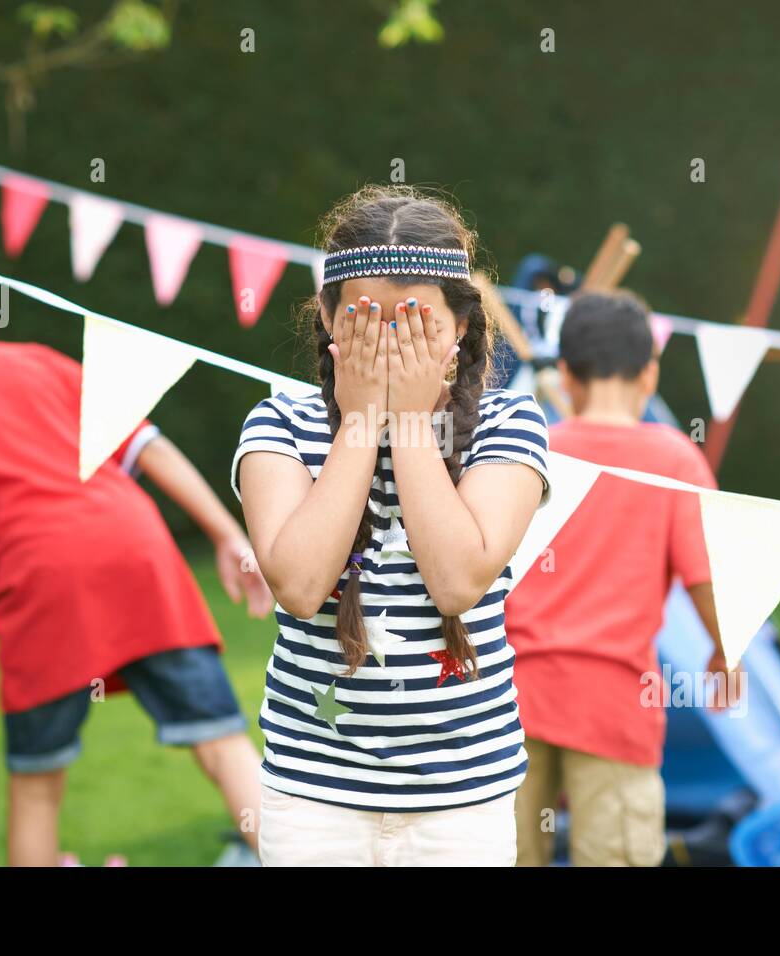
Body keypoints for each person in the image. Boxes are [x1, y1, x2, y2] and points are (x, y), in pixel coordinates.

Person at [0, 258, 273, 866]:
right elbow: (148, 445)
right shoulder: (39, 359)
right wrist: (228, 534)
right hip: (137, 554)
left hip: (39, 587)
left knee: (36, 788)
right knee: (222, 743)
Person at [233, 185, 550, 866]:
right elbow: (299, 583)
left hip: (463, 801)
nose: (389, 344)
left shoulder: (510, 425)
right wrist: (359, 424)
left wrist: (408, 421)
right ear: (326, 316)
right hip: (312, 797)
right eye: (366, 321)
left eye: (416, 323)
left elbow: (458, 581)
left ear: (462, 324)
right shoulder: (280, 424)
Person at [504, 289, 730, 867]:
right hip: (614, 703)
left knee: (502, 854)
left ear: (566, 377)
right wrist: (726, 652)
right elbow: (706, 574)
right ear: (649, 374)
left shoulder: (533, 452)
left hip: (510, 699)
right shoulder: (677, 459)